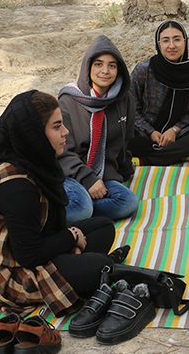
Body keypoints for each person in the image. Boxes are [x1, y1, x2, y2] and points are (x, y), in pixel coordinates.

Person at [0, 91, 129, 317]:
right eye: (56, 127)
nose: (66, 132)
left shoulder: (32, 161)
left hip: (29, 248)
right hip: (9, 275)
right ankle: (87, 269)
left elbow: (46, 228)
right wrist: (70, 238)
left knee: (103, 227)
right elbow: (29, 256)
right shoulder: (16, 187)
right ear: (34, 135)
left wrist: (66, 241)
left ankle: (80, 267)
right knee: (100, 266)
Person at [58, 35, 139, 225]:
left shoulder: (125, 99)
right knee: (82, 207)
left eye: (112, 65)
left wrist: (124, 172)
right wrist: (88, 180)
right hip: (70, 173)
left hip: (104, 175)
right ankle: (72, 211)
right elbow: (61, 151)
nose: (105, 71)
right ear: (88, 67)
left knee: (128, 202)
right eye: (98, 64)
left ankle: (78, 211)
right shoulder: (68, 101)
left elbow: (126, 140)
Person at [128, 21, 189, 165]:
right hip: (144, 133)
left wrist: (174, 130)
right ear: (158, 43)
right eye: (165, 40)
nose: (171, 45)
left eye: (176, 39)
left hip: (179, 134)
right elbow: (131, 109)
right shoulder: (144, 70)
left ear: (185, 41)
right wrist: (151, 132)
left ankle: (144, 160)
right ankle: (182, 153)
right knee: (120, 136)